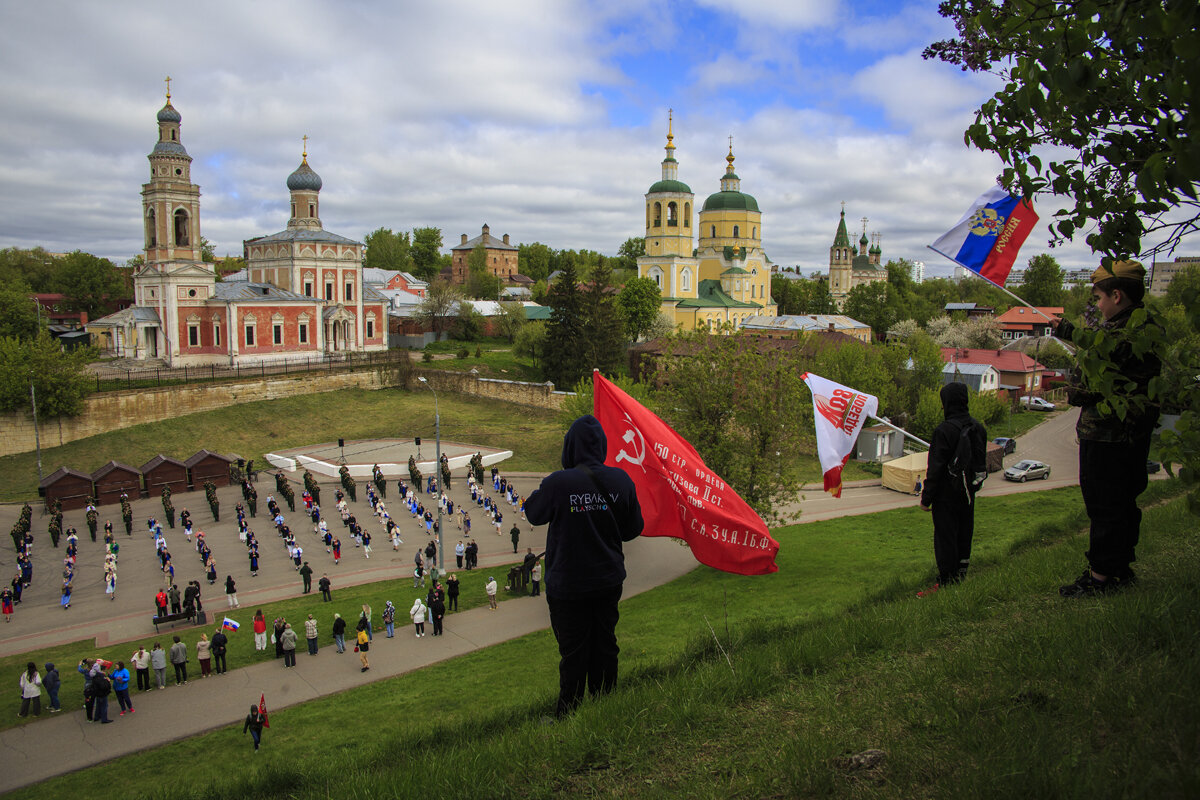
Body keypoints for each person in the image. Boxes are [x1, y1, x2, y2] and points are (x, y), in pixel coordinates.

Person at [1053, 260, 1162, 597]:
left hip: (1106, 435)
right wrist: (1074, 334)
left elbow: (1083, 388)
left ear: (1117, 295)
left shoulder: (1117, 334)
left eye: (1098, 297)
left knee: (1104, 505)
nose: (1097, 305)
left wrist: (1073, 379)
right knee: (1124, 502)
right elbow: (1103, 347)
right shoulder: (1148, 327)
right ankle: (1118, 568)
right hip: (1134, 433)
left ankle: (1100, 578)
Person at [525, 414, 645, 718]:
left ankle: (570, 713)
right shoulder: (621, 480)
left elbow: (534, 514)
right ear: (601, 446)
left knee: (573, 650)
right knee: (605, 642)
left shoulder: (558, 483)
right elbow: (632, 529)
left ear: (570, 447)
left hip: (569, 585)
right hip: (607, 579)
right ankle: (606, 707)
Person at [918, 382, 987, 595]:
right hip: (968, 493)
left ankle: (946, 580)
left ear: (946, 403)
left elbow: (935, 468)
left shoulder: (944, 431)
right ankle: (961, 574)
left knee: (946, 536)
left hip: (946, 496)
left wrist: (926, 498)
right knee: (964, 531)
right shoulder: (978, 429)